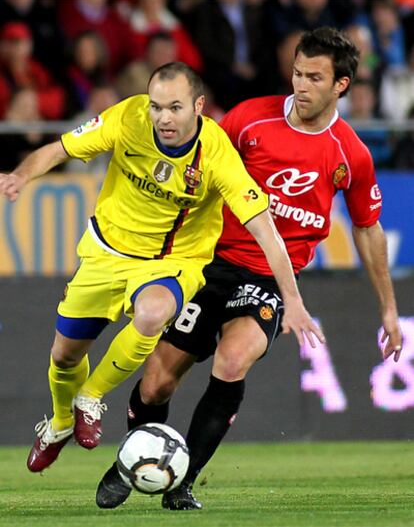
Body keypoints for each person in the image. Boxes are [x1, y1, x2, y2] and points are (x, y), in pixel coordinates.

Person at [95, 27, 403, 511]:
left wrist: (389, 308)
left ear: (340, 85)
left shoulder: (350, 155)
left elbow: (368, 229)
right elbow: (196, 170)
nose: (301, 85)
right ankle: (131, 459)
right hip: (210, 264)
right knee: (156, 382)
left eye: (315, 78)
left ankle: (181, 480)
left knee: (233, 360)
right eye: (298, 73)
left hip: (269, 280)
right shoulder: (249, 120)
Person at [0, 62, 323, 474]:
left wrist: (291, 299)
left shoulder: (217, 154)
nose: (163, 118)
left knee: (152, 314)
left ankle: (92, 396)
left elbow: (265, 229)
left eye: (174, 107)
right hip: (106, 251)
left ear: (199, 107)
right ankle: (61, 423)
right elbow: (60, 148)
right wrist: (21, 175)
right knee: (64, 356)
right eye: (156, 107)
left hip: (173, 262)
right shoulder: (128, 116)